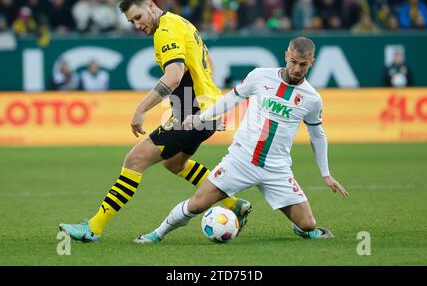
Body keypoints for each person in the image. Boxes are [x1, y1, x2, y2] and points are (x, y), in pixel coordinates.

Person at [59, 0, 251, 242]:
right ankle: (232, 203)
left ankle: (93, 227)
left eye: (138, 17)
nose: (137, 24)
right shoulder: (181, 22)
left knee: (135, 159)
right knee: (175, 164)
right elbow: (209, 61)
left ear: (150, 5)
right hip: (206, 113)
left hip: (191, 116)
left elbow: (173, 76)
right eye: (132, 22)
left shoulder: (166, 30)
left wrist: (140, 109)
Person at [135, 37, 349, 244]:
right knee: (197, 205)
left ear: (312, 62)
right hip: (241, 160)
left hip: (277, 167)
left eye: (303, 65)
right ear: (286, 55)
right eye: (293, 62)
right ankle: (156, 234)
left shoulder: (311, 98)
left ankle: (299, 226)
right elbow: (231, 99)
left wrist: (326, 174)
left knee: (308, 225)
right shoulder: (260, 77)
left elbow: (317, 135)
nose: (296, 69)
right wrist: (201, 118)